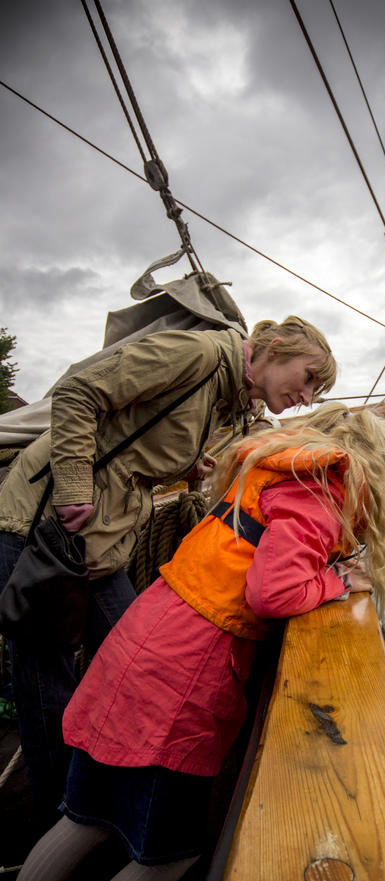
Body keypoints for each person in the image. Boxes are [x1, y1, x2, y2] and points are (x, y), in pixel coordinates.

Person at [0, 406, 385, 881]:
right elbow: (275, 592)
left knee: (82, 818)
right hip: (183, 676)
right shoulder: (321, 493)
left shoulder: (277, 474)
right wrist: (338, 579)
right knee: (171, 855)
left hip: (144, 643)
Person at [0, 316, 336, 829]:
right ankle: (56, 819)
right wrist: (72, 488)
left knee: (129, 661)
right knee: (47, 681)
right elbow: (78, 392)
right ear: (273, 350)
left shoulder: (228, 401)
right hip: (45, 529)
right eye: (309, 377)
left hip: (104, 542)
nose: (307, 396)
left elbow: (138, 437)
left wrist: (186, 466)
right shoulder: (196, 356)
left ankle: (104, 798)